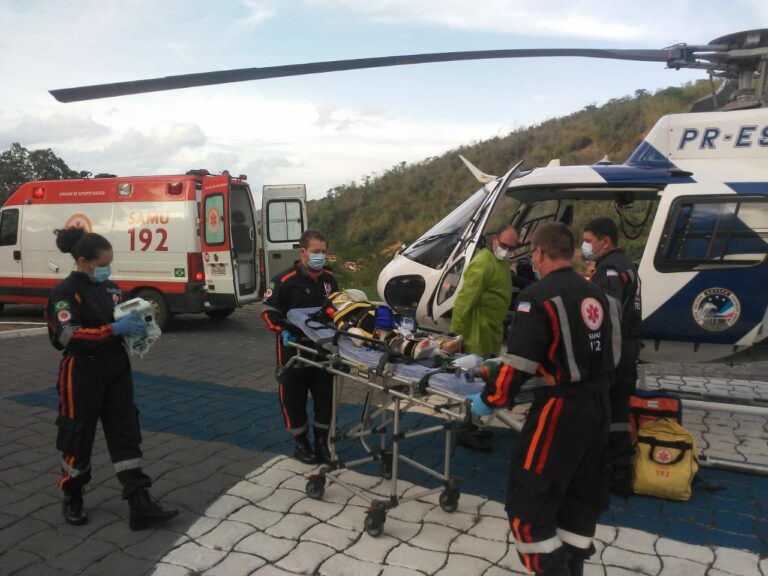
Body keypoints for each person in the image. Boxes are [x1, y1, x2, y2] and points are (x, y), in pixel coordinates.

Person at [466, 222, 620, 575]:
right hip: (599, 405)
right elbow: (607, 355)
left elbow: (517, 367)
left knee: (528, 507)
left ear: (538, 253)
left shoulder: (535, 298)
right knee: (576, 505)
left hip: (560, 411)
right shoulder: (596, 293)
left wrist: (490, 398)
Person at [45, 227, 178, 530]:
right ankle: (73, 495)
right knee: (78, 436)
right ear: (83, 261)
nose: (107, 269)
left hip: (116, 370)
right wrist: (113, 331)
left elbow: (126, 317)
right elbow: (69, 337)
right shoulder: (64, 293)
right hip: (81, 373)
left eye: (110, 263)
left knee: (125, 433)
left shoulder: (112, 290)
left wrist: (141, 333)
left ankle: (139, 503)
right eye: (103, 263)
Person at [261, 230, 339, 465]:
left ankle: (321, 443)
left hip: (323, 349)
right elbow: (268, 313)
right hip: (293, 348)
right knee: (293, 397)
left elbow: (337, 308)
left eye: (324, 252)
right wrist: (282, 331)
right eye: (316, 252)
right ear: (303, 252)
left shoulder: (329, 280)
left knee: (325, 396)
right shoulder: (284, 281)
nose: (321, 256)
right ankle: (301, 442)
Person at [582, 217, 642, 497]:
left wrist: (605, 359)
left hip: (616, 352)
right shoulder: (627, 265)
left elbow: (609, 317)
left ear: (605, 241)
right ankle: (621, 469)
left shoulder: (609, 271)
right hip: (629, 350)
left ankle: (601, 470)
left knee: (603, 410)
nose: (586, 247)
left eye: (589, 241)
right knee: (619, 411)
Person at [450, 224, 517, 452]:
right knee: (474, 381)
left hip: (492, 329)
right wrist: (456, 335)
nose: (507, 250)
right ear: (495, 239)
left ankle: (475, 425)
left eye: (511, 247)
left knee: (487, 379)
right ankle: (467, 430)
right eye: (505, 245)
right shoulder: (482, 263)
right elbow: (465, 299)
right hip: (477, 330)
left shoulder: (501, 262)